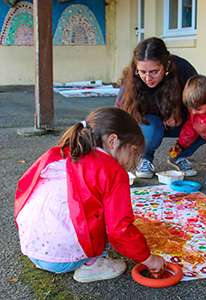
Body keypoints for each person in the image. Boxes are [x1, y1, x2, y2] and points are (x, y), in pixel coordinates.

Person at [14, 107, 165, 283]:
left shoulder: (66, 151)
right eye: (133, 152)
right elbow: (119, 230)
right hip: (61, 259)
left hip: (32, 248)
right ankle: (91, 264)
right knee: (107, 222)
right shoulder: (113, 171)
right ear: (113, 141)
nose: (134, 161)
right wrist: (148, 259)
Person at [116, 37, 206, 178]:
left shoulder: (183, 69)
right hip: (150, 124)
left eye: (154, 71)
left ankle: (179, 155)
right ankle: (145, 158)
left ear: (166, 66)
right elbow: (120, 116)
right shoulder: (131, 78)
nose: (148, 78)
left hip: (181, 121)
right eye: (142, 72)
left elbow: (199, 100)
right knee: (151, 129)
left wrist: (178, 112)